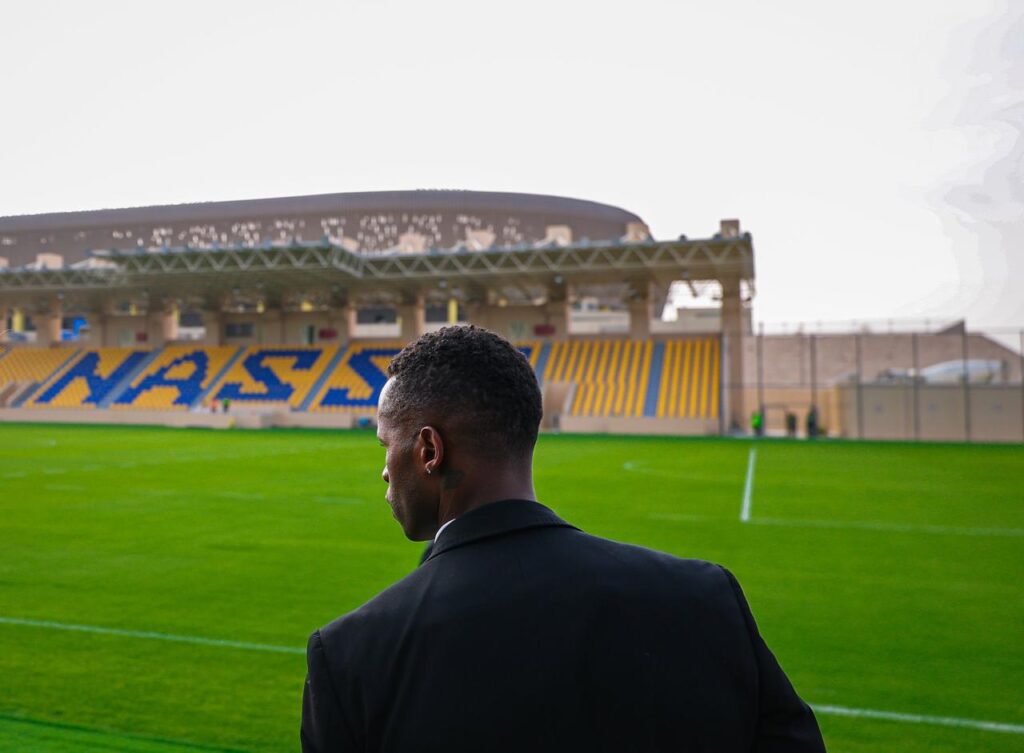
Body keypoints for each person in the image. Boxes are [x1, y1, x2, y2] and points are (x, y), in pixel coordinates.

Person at [301, 326, 825, 753]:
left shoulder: (353, 657)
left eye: (385, 446)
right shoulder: (705, 597)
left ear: (429, 451)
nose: (384, 472)